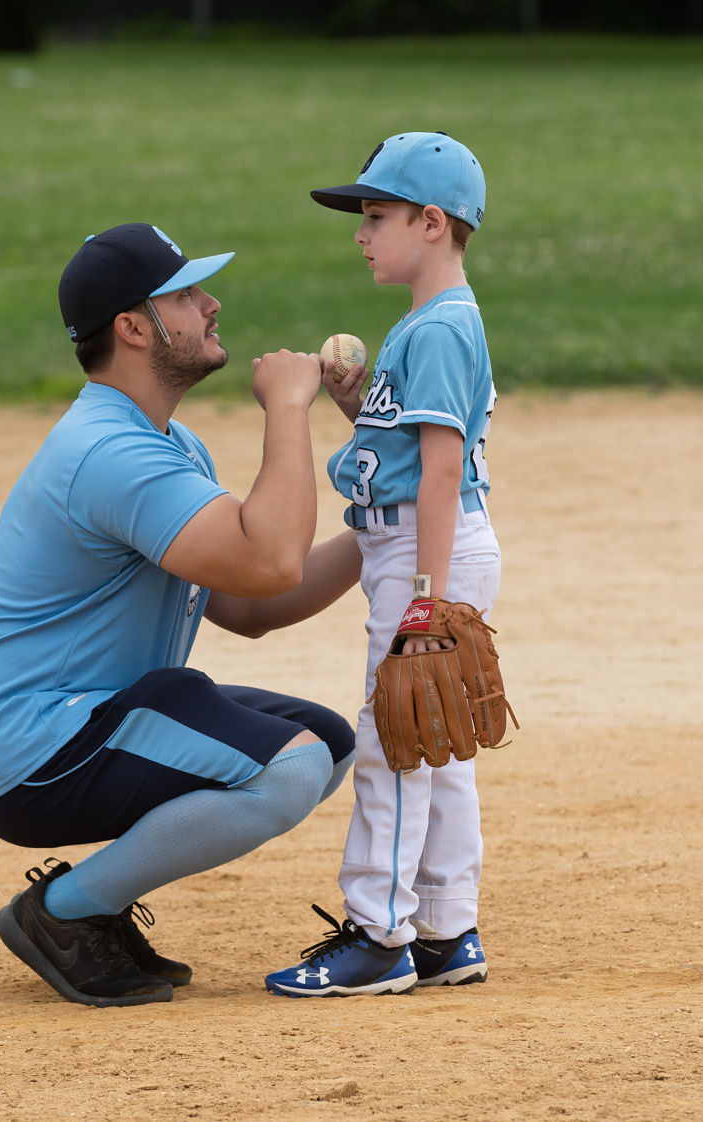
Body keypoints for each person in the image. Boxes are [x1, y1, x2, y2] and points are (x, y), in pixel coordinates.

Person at [0, 222, 362, 1008]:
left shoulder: (166, 443)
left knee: (330, 745)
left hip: (92, 720)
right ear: (134, 328)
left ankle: (90, 910)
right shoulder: (111, 453)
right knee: (289, 766)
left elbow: (249, 604)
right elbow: (272, 559)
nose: (211, 304)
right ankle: (67, 913)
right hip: (36, 748)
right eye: (184, 294)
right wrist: (288, 409)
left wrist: (380, 539)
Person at [265, 131, 502, 997]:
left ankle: (378, 935)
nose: (360, 234)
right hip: (418, 544)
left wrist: (425, 602)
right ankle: (446, 928)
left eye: (375, 217)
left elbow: (441, 472)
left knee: (395, 742)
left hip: (423, 553)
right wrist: (358, 407)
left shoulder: (439, 329)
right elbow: (410, 452)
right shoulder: (428, 323)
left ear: (431, 222)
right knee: (438, 744)